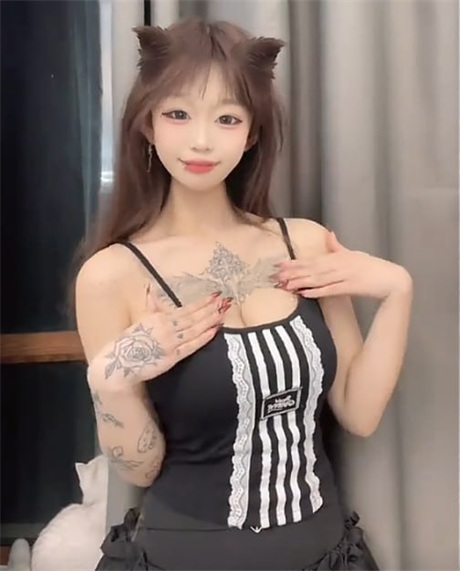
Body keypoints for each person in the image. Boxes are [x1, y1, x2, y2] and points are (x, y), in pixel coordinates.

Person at [75, 17, 413, 571]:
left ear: (252, 133)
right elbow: (140, 468)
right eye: (178, 114)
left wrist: (398, 290)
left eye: (227, 118)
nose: (201, 140)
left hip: (328, 554)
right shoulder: (111, 275)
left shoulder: (304, 243)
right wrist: (110, 381)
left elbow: (359, 411)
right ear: (147, 124)